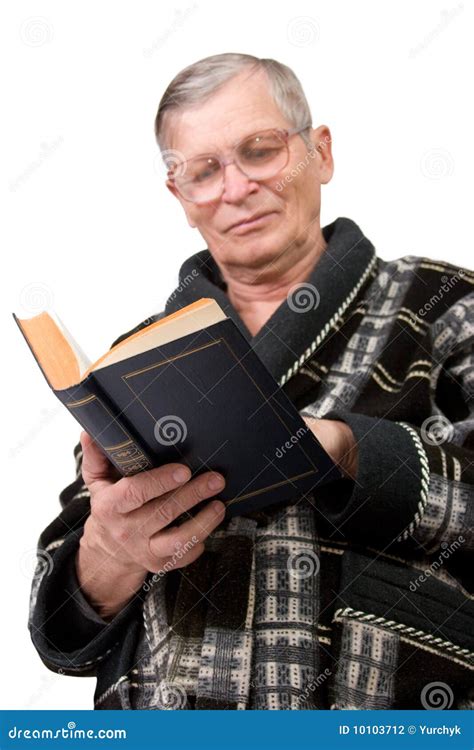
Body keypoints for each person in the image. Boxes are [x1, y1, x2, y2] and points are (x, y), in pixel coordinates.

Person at [29, 53, 473, 710]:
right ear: (180, 197)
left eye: (260, 152)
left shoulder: (444, 305)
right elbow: (60, 628)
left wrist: (352, 451)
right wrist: (109, 550)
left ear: (319, 153)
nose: (235, 189)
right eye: (203, 172)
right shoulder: (135, 365)